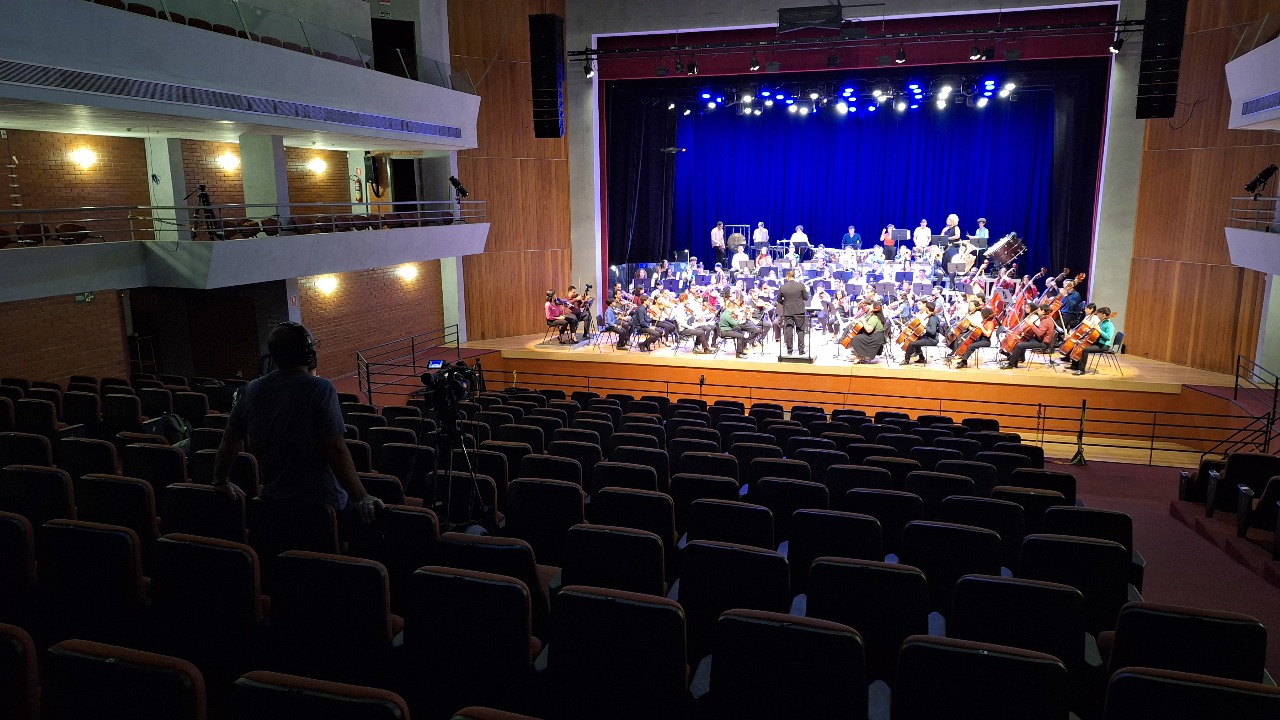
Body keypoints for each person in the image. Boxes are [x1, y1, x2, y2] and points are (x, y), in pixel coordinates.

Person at [213, 322, 383, 527]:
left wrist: (220, 480)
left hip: (273, 502)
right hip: (323, 504)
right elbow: (336, 449)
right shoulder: (320, 388)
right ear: (308, 353)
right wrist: (361, 496)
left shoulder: (250, 389)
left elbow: (229, 440)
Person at [999, 304, 1055, 369]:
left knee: (1019, 345)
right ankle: (1016, 360)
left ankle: (1011, 364)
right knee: (1022, 341)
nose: (1037, 311)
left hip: (1043, 343)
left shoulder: (1045, 321)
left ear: (1043, 311)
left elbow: (1039, 333)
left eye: (1039, 310)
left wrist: (1031, 324)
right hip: (1039, 340)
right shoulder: (1046, 319)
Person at [1066, 307, 1115, 375]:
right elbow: (1096, 333)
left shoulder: (1109, 325)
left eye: (1098, 314)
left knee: (1085, 350)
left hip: (1103, 345)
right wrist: (1089, 331)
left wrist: (1099, 330)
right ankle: (1075, 365)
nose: (1097, 315)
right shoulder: (1101, 322)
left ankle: (1081, 370)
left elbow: (1108, 337)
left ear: (1103, 315)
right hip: (1097, 342)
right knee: (1078, 344)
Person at [948, 301, 995, 369]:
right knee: (967, 343)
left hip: (986, 341)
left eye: (982, 314)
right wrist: (969, 327)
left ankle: (963, 361)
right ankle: (964, 360)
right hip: (980, 339)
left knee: (971, 346)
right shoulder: (984, 322)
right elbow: (976, 331)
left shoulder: (990, 323)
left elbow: (988, 334)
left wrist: (981, 327)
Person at [777, 269, 810, 356]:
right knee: (800, 330)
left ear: (787, 277)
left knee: (789, 330)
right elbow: (806, 298)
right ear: (794, 276)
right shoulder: (801, 286)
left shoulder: (783, 287)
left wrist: (785, 303)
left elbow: (778, 300)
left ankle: (789, 350)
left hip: (788, 312)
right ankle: (801, 350)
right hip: (799, 311)